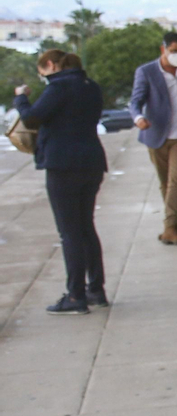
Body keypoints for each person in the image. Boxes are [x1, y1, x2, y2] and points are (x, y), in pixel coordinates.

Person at [12, 50, 108, 314]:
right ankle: (96, 289)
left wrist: (20, 99)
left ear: (51, 65)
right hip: (91, 160)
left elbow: (32, 117)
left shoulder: (59, 87)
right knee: (86, 226)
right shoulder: (90, 86)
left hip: (63, 164)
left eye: (42, 71)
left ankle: (76, 295)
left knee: (70, 232)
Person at [129, 31, 177, 245]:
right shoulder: (146, 71)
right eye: (173, 51)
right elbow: (135, 101)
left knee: (176, 180)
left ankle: (168, 227)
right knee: (165, 183)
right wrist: (139, 118)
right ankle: (173, 226)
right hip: (156, 134)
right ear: (163, 49)